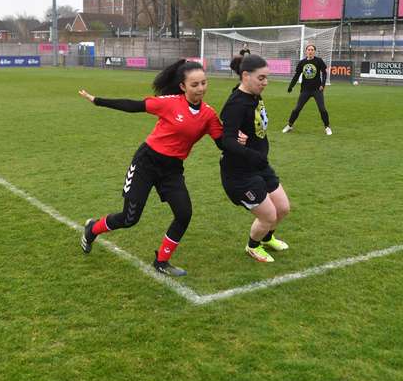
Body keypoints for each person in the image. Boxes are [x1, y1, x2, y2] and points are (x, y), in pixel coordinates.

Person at [79, 59, 240, 277]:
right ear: (183, 86)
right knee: (129, 218)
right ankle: (93, 228)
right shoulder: (170, 103)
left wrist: (237, 136)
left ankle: (162, 261)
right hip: (147, 162)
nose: (200, 88)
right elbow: (133, 105)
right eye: (195, 85)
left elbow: (222, 143)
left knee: (184, 214)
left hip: (172, 170)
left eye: (204, 83)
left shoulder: (209, 115)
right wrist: (97, 100)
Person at [220, 54, 291, 263]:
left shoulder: (253, 95)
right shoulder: (235, 104)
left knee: (283, 208)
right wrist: (250, 153)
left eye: (266, 78)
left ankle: (267, 238)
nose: (265, 83)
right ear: (245, 76)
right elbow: (227, 142)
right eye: (261, 78)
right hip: (239, 173)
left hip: (259, 165)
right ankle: (253, 246)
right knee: (268, 215)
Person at [282, 43, 332, 136]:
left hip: (317, 90)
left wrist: (323, 84)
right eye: (309, 49)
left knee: (322, 109)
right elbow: (296, 75)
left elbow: (324, 73)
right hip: (305, 90)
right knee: (297, 109)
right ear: (306, 51)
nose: (310, 51)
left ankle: (327, 127)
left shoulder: (319, 61)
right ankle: (289, 125)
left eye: (312, 50)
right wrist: (291, 86)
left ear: (314, 51)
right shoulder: (302, 62)